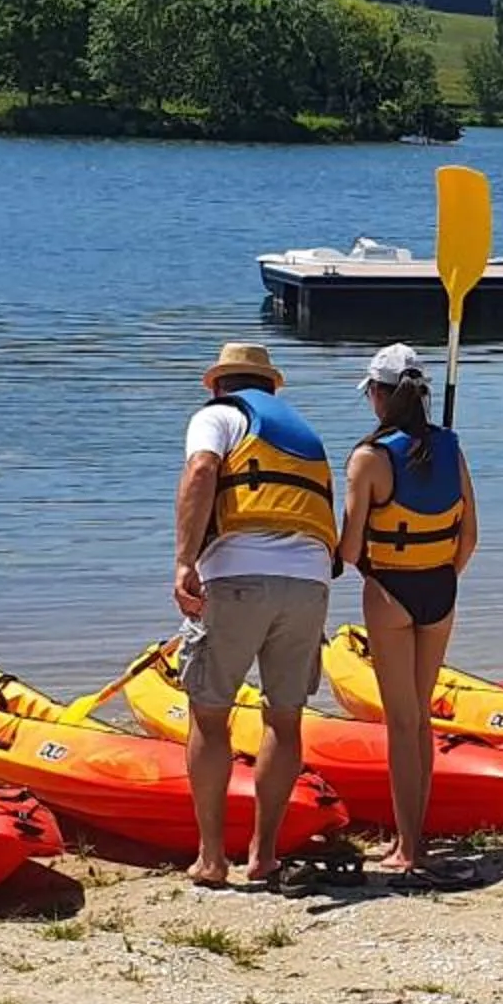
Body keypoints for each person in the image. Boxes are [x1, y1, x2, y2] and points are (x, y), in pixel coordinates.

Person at [171, 339, 337, 891]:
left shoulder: (217, 416)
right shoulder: (306, 434)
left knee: (209, 715)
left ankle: (212, 858)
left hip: (238, 576)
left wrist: (184, 561)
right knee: (284, 720)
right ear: (271, 387)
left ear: (220, 384)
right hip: (309, 584)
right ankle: (263, 854)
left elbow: (201, 472)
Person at [338, 341, 477, 882]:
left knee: (401, 721)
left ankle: (408, 847)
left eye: (371, 392)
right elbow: (470, 535)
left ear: (379, 395)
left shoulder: (369, 458)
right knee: (420, 717)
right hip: (440, 591)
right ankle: (415, 837)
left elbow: (351, 548)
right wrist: (442, 573)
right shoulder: (451, 446)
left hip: (390, 593)